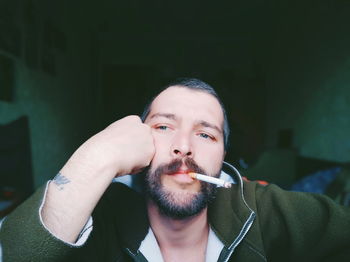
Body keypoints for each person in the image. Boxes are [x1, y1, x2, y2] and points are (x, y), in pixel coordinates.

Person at [1, 78, 350, 262]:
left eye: (205, 133)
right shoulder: (99, 221)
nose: (184, 146)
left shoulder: (268, 212)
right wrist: (98, 154)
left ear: (223, 155)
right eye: (164, 127)